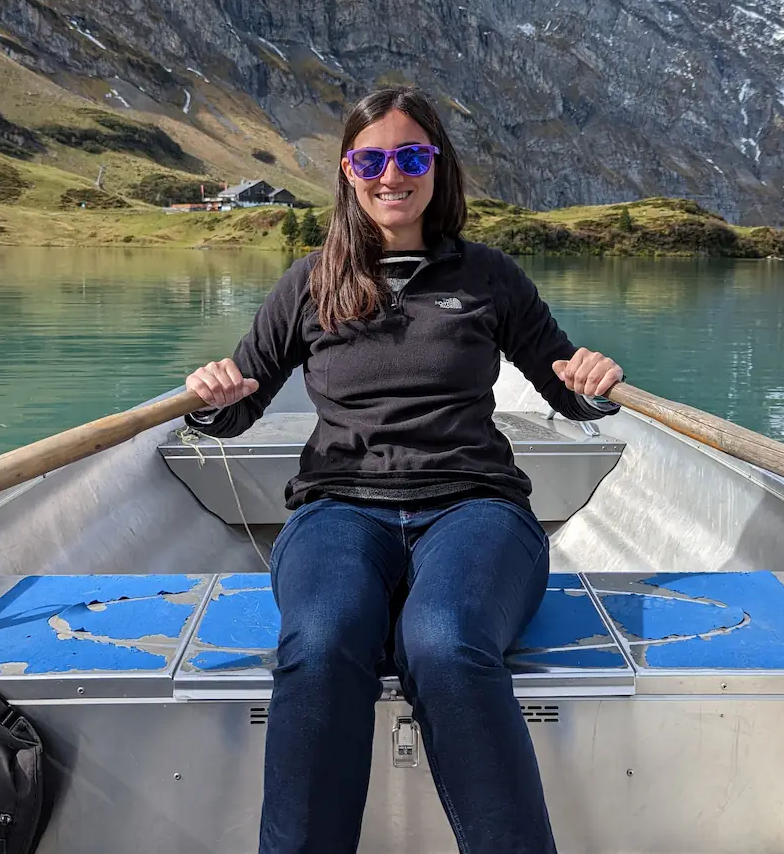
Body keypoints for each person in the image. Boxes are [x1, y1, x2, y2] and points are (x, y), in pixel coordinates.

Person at [184, 85, 624, 854]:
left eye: (411, 155)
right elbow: (238, 404)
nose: (392, 174)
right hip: (337, 509)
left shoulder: (487, 276)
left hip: (475, 507)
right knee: (320, 641)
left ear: (437, 165)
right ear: (349, 173)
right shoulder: (308, 281)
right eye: (371, 158)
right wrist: (210, 398)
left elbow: (561, 383)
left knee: (445, 639)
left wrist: (590, 383)